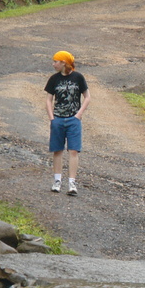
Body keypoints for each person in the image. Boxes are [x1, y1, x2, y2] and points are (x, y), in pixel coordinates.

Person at [44, 50, 90, 196]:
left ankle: (72, 183)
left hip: (73, 119)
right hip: (58, 118)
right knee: (57, 150)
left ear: (63, 63)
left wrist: (79, 114)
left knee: (74, 150)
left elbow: (87, 97)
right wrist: (52, 118)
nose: (53, 64)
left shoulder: (78, 77)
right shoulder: (54, 79)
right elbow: (48, 99)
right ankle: (57, 181)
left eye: (56, 61)